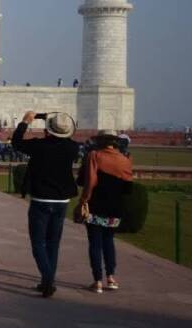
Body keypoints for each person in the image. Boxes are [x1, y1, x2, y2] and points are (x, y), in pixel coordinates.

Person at [12, 111, 80, 297]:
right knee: (53, 243)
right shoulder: (72, 148)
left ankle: (48, 280)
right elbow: (66, 138)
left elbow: (16, 142)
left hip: (41, 200)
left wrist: (26, 122)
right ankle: (46, 281)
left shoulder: (39, 146)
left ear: (48, 129)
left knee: (38, 243)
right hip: (61, 201)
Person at [76, 130, 134, 293]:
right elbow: (128, 189)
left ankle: (97, 281)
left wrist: (83, 200)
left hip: (95, 206)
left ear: (100, 141)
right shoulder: (125, 160)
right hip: (115, 208)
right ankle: (111, 277)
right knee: (109, 241)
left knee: (95, 243)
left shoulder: (94, 156)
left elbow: (82, 181)